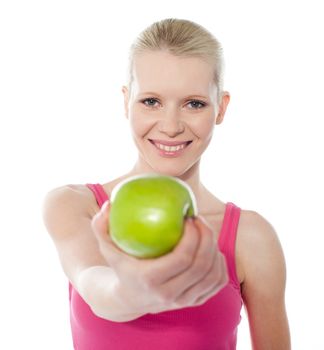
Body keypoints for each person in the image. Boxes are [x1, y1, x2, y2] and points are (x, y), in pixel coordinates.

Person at [42, 18, 291, 349]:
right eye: (151, 101)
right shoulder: (78, 206)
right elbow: (95, 285)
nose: (171, 126)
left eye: (194, 103)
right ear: (125, 101)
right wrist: (134, 293)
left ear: (221, 107)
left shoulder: (251, 238)